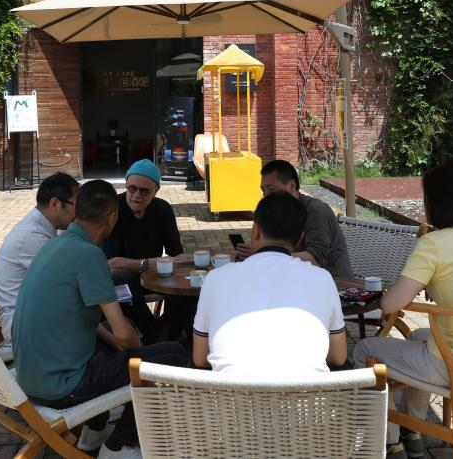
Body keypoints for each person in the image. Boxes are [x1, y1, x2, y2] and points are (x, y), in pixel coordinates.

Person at [12, 180, 187, 459]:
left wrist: (120, 345)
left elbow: (90, 322)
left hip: (31, 378)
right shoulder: (89, 255)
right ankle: (119, 444)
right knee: (172, 354)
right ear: (112, 216)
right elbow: (124, 334)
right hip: (64, 386)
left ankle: (93, 434)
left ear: (76, 211)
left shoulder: (54, 245)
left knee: (109, 342)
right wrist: (139, 350)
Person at [353, 160, 453, 458]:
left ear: (437, 203)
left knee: (365, 349)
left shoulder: (434, 243)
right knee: (418, 337)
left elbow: (389, 305)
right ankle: (413, 429)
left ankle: (389, 439)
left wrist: (411, 284)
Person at [192, 192, 348, 375]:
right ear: (299, 238)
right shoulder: (322, 279)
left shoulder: (215, 278)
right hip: (305, 393)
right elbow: (338, 357)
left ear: (256, 231)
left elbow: (200, 358)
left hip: (232, 393)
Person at [103, 159, 191, 342]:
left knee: (190, 284)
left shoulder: (162, 209)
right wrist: (147, 263)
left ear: (156, 190)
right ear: (126, 184)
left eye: (144, 191)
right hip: (124, 281)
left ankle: (171, 337)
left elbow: (176, 254)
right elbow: (111, 263)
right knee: (122, 277)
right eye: (132, 188)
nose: (137, 195)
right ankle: (157, 336)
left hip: (155, 277)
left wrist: (196, 263)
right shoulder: (113, 210)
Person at [0, 172, 78, 349]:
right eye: (76, 206)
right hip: (26, 331)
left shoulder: (40, 225)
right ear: (55, 204)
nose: (78, 214)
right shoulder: (33, 237)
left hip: (34, 317)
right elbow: (67, 285)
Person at [235, 159, 352, 278]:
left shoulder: (316, 211)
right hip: (294, 277)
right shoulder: (277, 212)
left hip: (333, 283)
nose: (265, 195)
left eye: (271, 189)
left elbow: (315, 259)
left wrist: (265, 255)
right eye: (263, 190)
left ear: (291, 186)